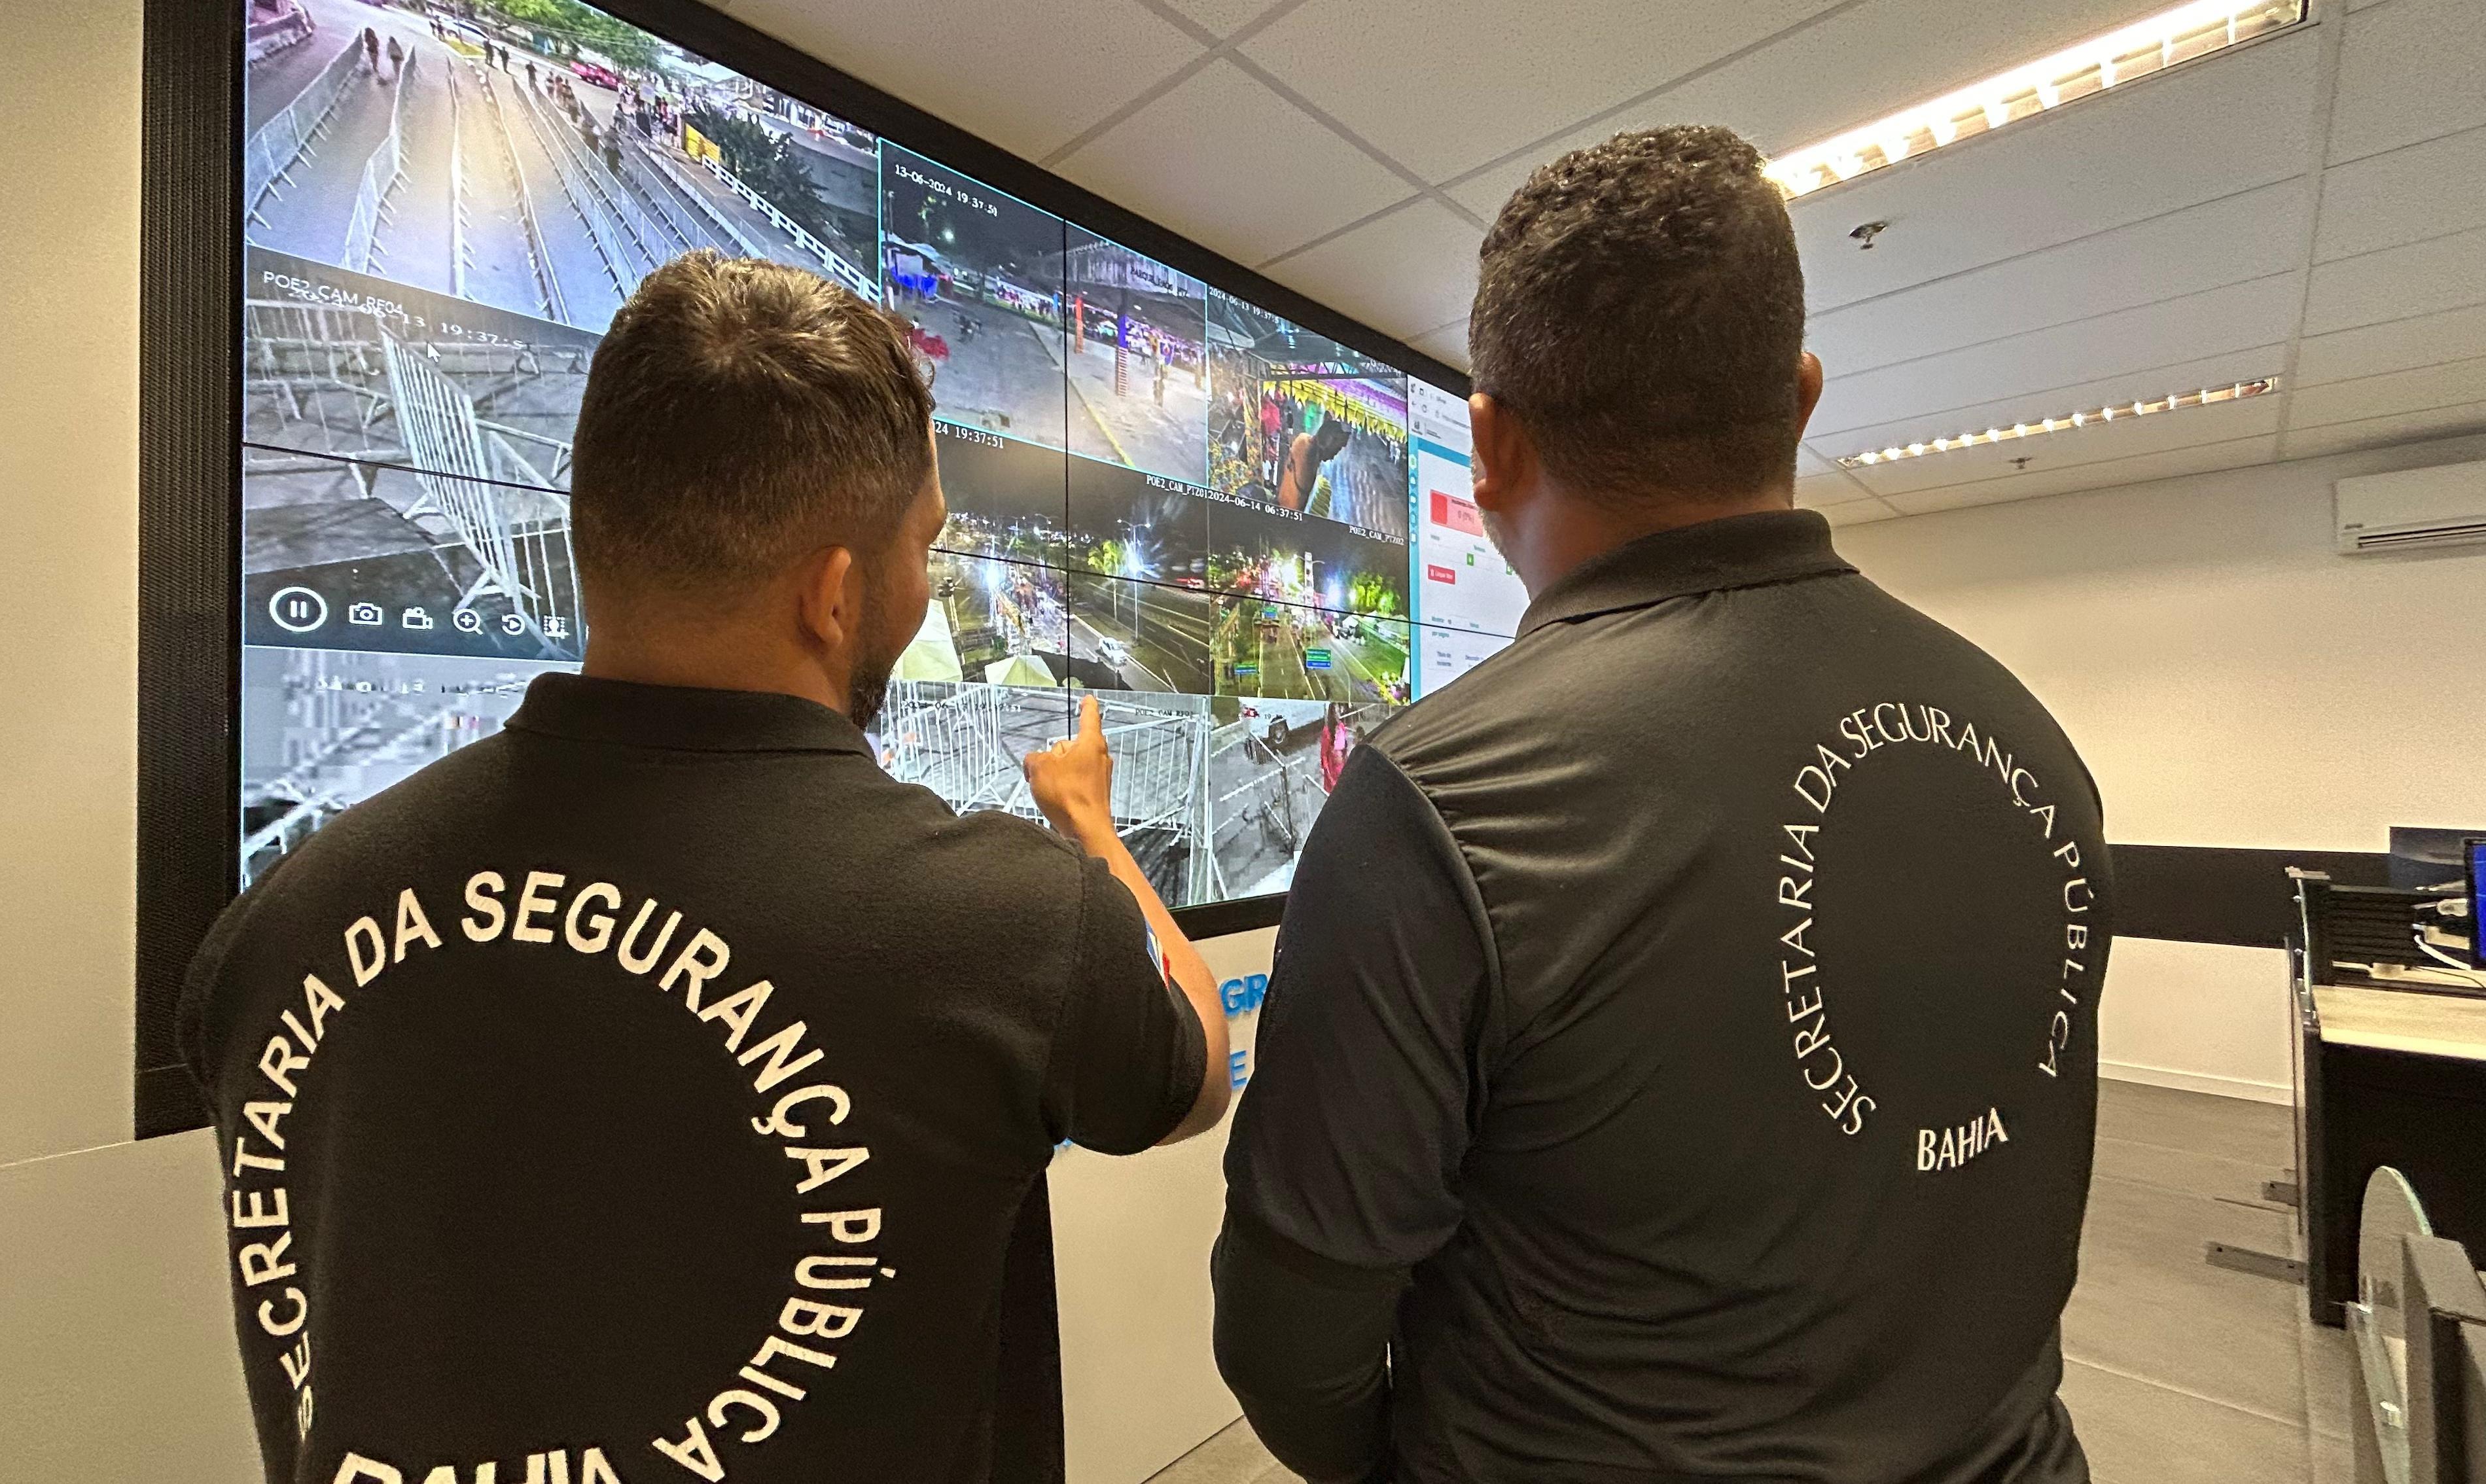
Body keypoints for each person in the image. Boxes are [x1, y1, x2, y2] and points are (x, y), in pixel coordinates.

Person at [184, 252, 1231, 1484]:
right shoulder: (1004, 920)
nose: (925, 583)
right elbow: (1195, 1073)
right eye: (925, 547)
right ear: (834, 596)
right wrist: (1091, 829)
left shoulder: (277, 928)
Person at [1213, 125, 2108, 1484]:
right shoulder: (2031, 740)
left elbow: (1295, 1333)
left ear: (1489, 444)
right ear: (1799, 399)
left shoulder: (1436, 797)